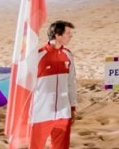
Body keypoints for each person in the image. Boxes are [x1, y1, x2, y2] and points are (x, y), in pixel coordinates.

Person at [30, 20, 77, 149]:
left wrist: (72, 107)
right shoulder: (38, 56)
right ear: (57, 34)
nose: (70, 36)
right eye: (68, 33)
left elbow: (71, 83)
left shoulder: (68, 55)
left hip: (63, 113)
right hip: (41, 114)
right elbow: (27, 87)